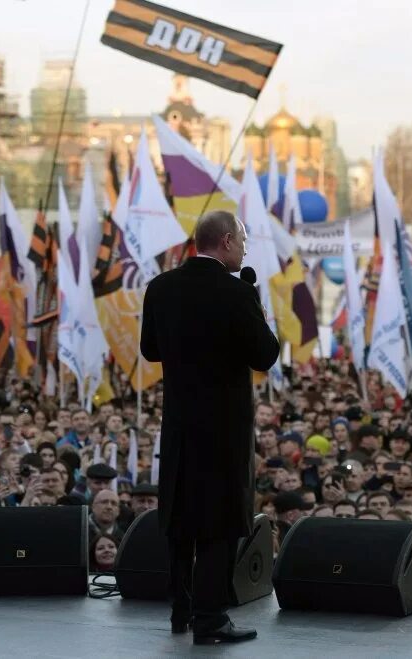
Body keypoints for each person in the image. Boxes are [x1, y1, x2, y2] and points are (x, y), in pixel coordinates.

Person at [141, 210, 280, 645]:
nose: (244, 248)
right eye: (241, 240)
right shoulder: (236, 293)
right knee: (219, 522)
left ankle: (180, 611)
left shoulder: (160, 287)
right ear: (224, 242)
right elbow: (266, 355)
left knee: (181, 518)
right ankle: (211, 618)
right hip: (223, 429)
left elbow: (149, 350)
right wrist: (254, 304)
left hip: (180, 424)